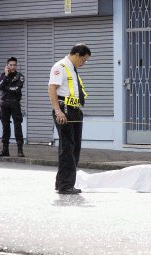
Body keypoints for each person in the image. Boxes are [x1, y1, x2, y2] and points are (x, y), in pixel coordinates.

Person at [48, 43, 91, 194]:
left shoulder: (72, 68)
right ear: (77, 55)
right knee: (67, 147)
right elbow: (52, 88)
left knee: (74, 147)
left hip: (74, 110)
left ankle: (62, 182)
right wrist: (58, 111)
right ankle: (65, 185)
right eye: (83, 60)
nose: (83, 63)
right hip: (64, 110)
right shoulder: (60, 67)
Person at [0, 57, 25, 158]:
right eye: (11, 65)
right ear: (7, 66)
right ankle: (5, 150)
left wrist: (6, 87)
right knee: (5, 127)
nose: (13, 67)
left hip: (15, 104)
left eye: (14, 65)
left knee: (18, 126)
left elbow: (17, 89)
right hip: (4, 104)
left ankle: (20, 150)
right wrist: (6, 76)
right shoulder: (3, 75)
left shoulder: (20, 76)